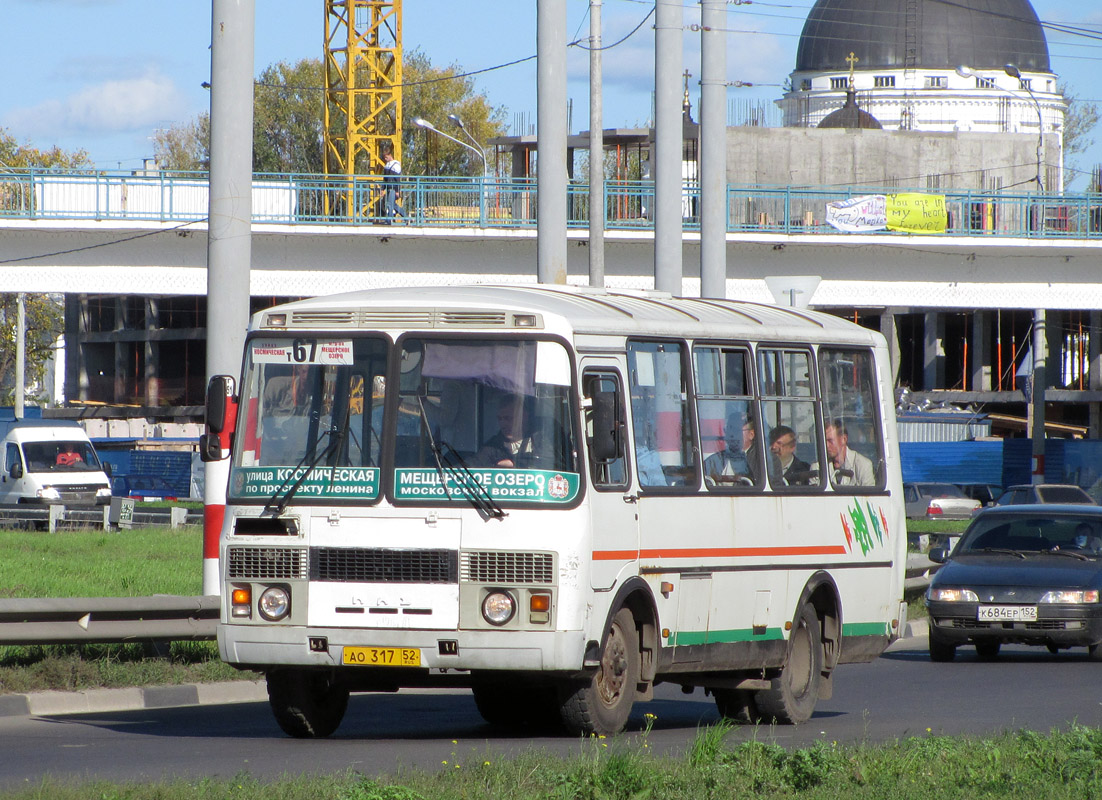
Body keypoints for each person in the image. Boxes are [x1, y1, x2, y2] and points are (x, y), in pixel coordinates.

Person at [477, 395, 542, 467]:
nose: (503, 424)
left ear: (524, 417)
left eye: (508, 418)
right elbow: (472, 465)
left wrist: (515, 464)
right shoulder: (494, 445)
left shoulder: (540, 440)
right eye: (500, 419)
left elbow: (549, 463)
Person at [704, 413, 755, 486]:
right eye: (729, 429)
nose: (731, 434)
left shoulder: (763, 460)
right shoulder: (713, 461)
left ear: (751, 434)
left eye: (736, 430)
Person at [824, 419, 876, 486]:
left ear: (844, 439)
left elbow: (870, 495)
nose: (826, 445)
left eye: (830, 441)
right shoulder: (818, 467)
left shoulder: (863, 466)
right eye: (824, 441)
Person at [380, 149, 402, 222]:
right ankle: (406, 216)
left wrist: (397, 191)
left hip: (393, 188)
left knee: (389, 204)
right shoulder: (387, 166)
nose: (385, 159)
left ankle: (389, 220)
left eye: (386, 157)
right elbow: (385, 179)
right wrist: (382, 189)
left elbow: (397, 179)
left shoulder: (396, 165)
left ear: (390, 155)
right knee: (392, 204)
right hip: (388, 188)